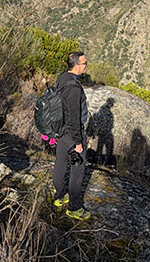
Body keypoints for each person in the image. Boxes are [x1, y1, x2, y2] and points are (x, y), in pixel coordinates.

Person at [52, 51, 91, 220]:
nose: (86, 66)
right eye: (84, 63)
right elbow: (74, 117)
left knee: (60, 163)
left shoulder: (63, 78)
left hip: (61, 130)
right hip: (71, 132)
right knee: (77, 169)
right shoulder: (74, 88)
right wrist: (78, 142)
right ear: (76, 65)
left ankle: (59, 197)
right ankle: (74, 208)